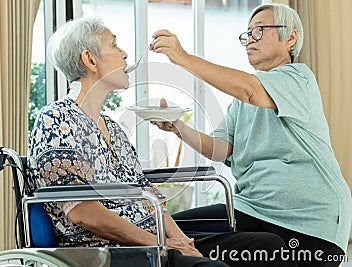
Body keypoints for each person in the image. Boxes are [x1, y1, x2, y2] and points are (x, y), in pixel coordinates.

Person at [27, 17, 297, 267]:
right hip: (113, 249)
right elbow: (83, 213)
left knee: (269, 246)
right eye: (114, 45)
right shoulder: (57, 121)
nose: (124, 54)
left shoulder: (112, 128)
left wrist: (185, 243)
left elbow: (149, 196)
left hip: (152, 239)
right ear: (90, 59)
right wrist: (162, 243)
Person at [150, 3, 352, 267]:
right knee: (159, 230)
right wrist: (178, 127)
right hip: (254, 210)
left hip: (309, 224)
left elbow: (249, 88)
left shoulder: (297, 78)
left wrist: (182, 57)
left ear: (290, 37)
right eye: (247, 34)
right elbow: (221, 148)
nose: (249, 40)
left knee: (170, 240)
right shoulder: (243, 101)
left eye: (259, 31)